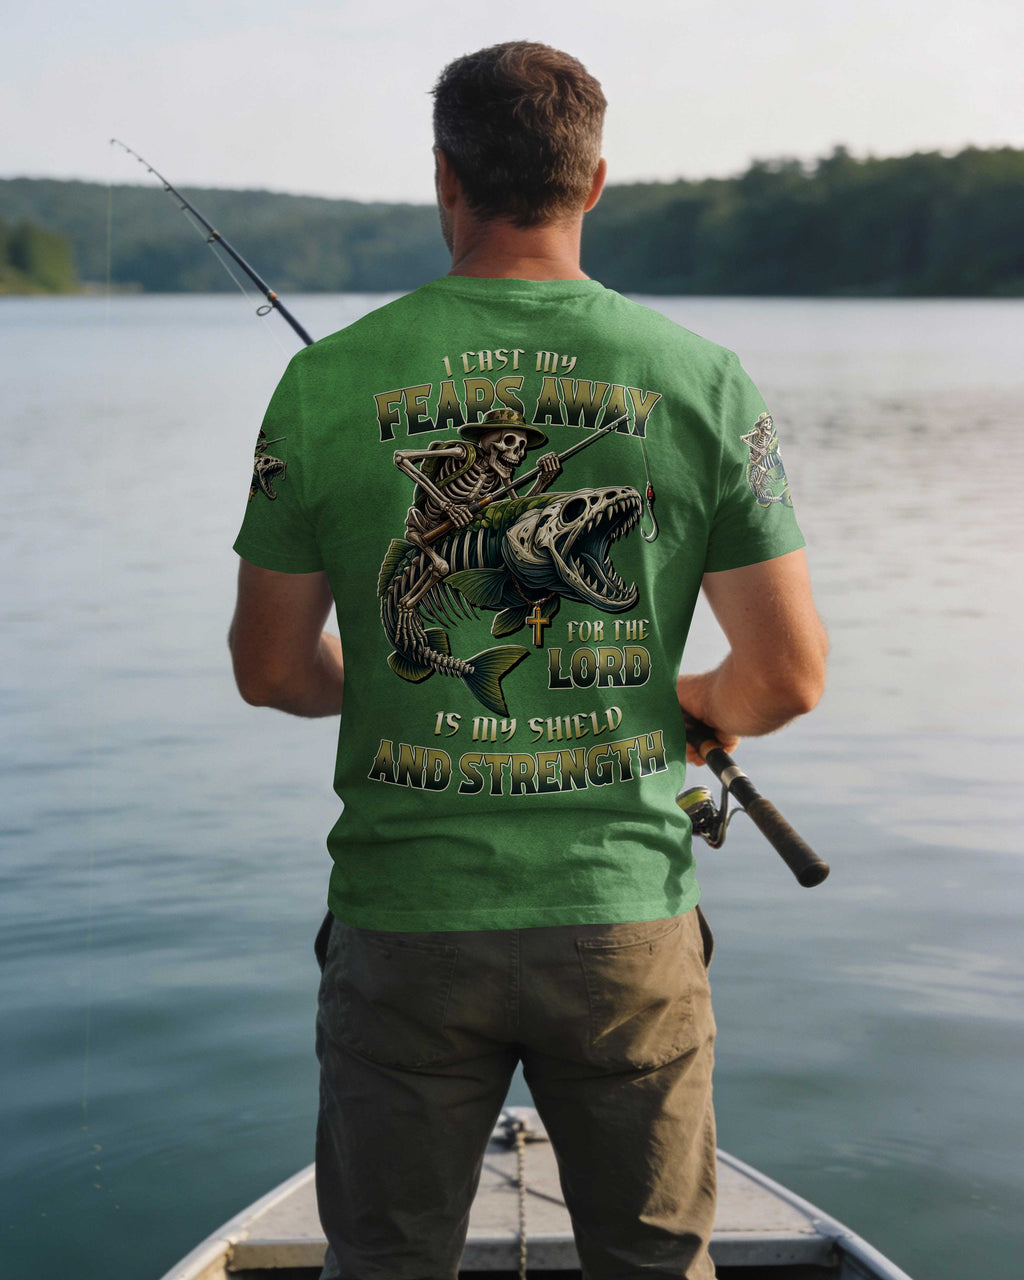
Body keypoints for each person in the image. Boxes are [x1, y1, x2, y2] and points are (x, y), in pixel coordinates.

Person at [228, 40, 828, 1280]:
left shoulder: (323, 382)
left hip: (406, 924)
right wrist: (684, 701)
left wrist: (400, 679)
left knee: (385, 1263)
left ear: (442, 177)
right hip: (624, 920)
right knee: (656, 1262)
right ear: (595, 180)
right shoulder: (706, 381)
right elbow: (783, 679)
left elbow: (274, 669)